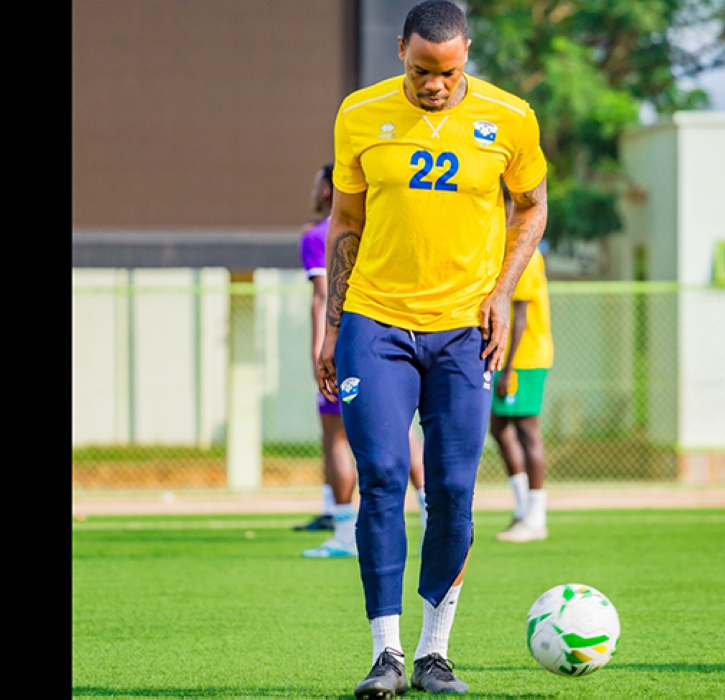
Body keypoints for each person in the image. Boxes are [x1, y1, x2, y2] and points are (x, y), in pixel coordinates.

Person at [315, 2, 548, 696]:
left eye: (447, 72)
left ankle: (433, 654)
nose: (433, 85)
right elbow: (345, 221)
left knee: (450, 491)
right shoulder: (359, 113)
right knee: (383, 478)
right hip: (374, 323)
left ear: (466, 55)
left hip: (461, 333)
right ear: (399, 53)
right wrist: (331, 326)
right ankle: (385, 655)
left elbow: (530, 204)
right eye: (420, 70)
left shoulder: (511, 118)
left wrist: (501, 291)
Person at [298, 164, 429, 558]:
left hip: (350, 338)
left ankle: (343, 532)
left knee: (337, 434)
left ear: (328, 190)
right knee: (402, 430)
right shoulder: (382, 225)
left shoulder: (320, 235)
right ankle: (430, 515)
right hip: (393, 338)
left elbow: (324, 295)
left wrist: (322, 346)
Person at [489, 180, 554, 543]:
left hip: (523, 356)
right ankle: (522, 508)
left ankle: (536, 516)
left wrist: (509, 366)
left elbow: (522, 313)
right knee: (500, 428)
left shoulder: (521, 245)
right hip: (505, 354)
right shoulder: (499, 245)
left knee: (527, 429)